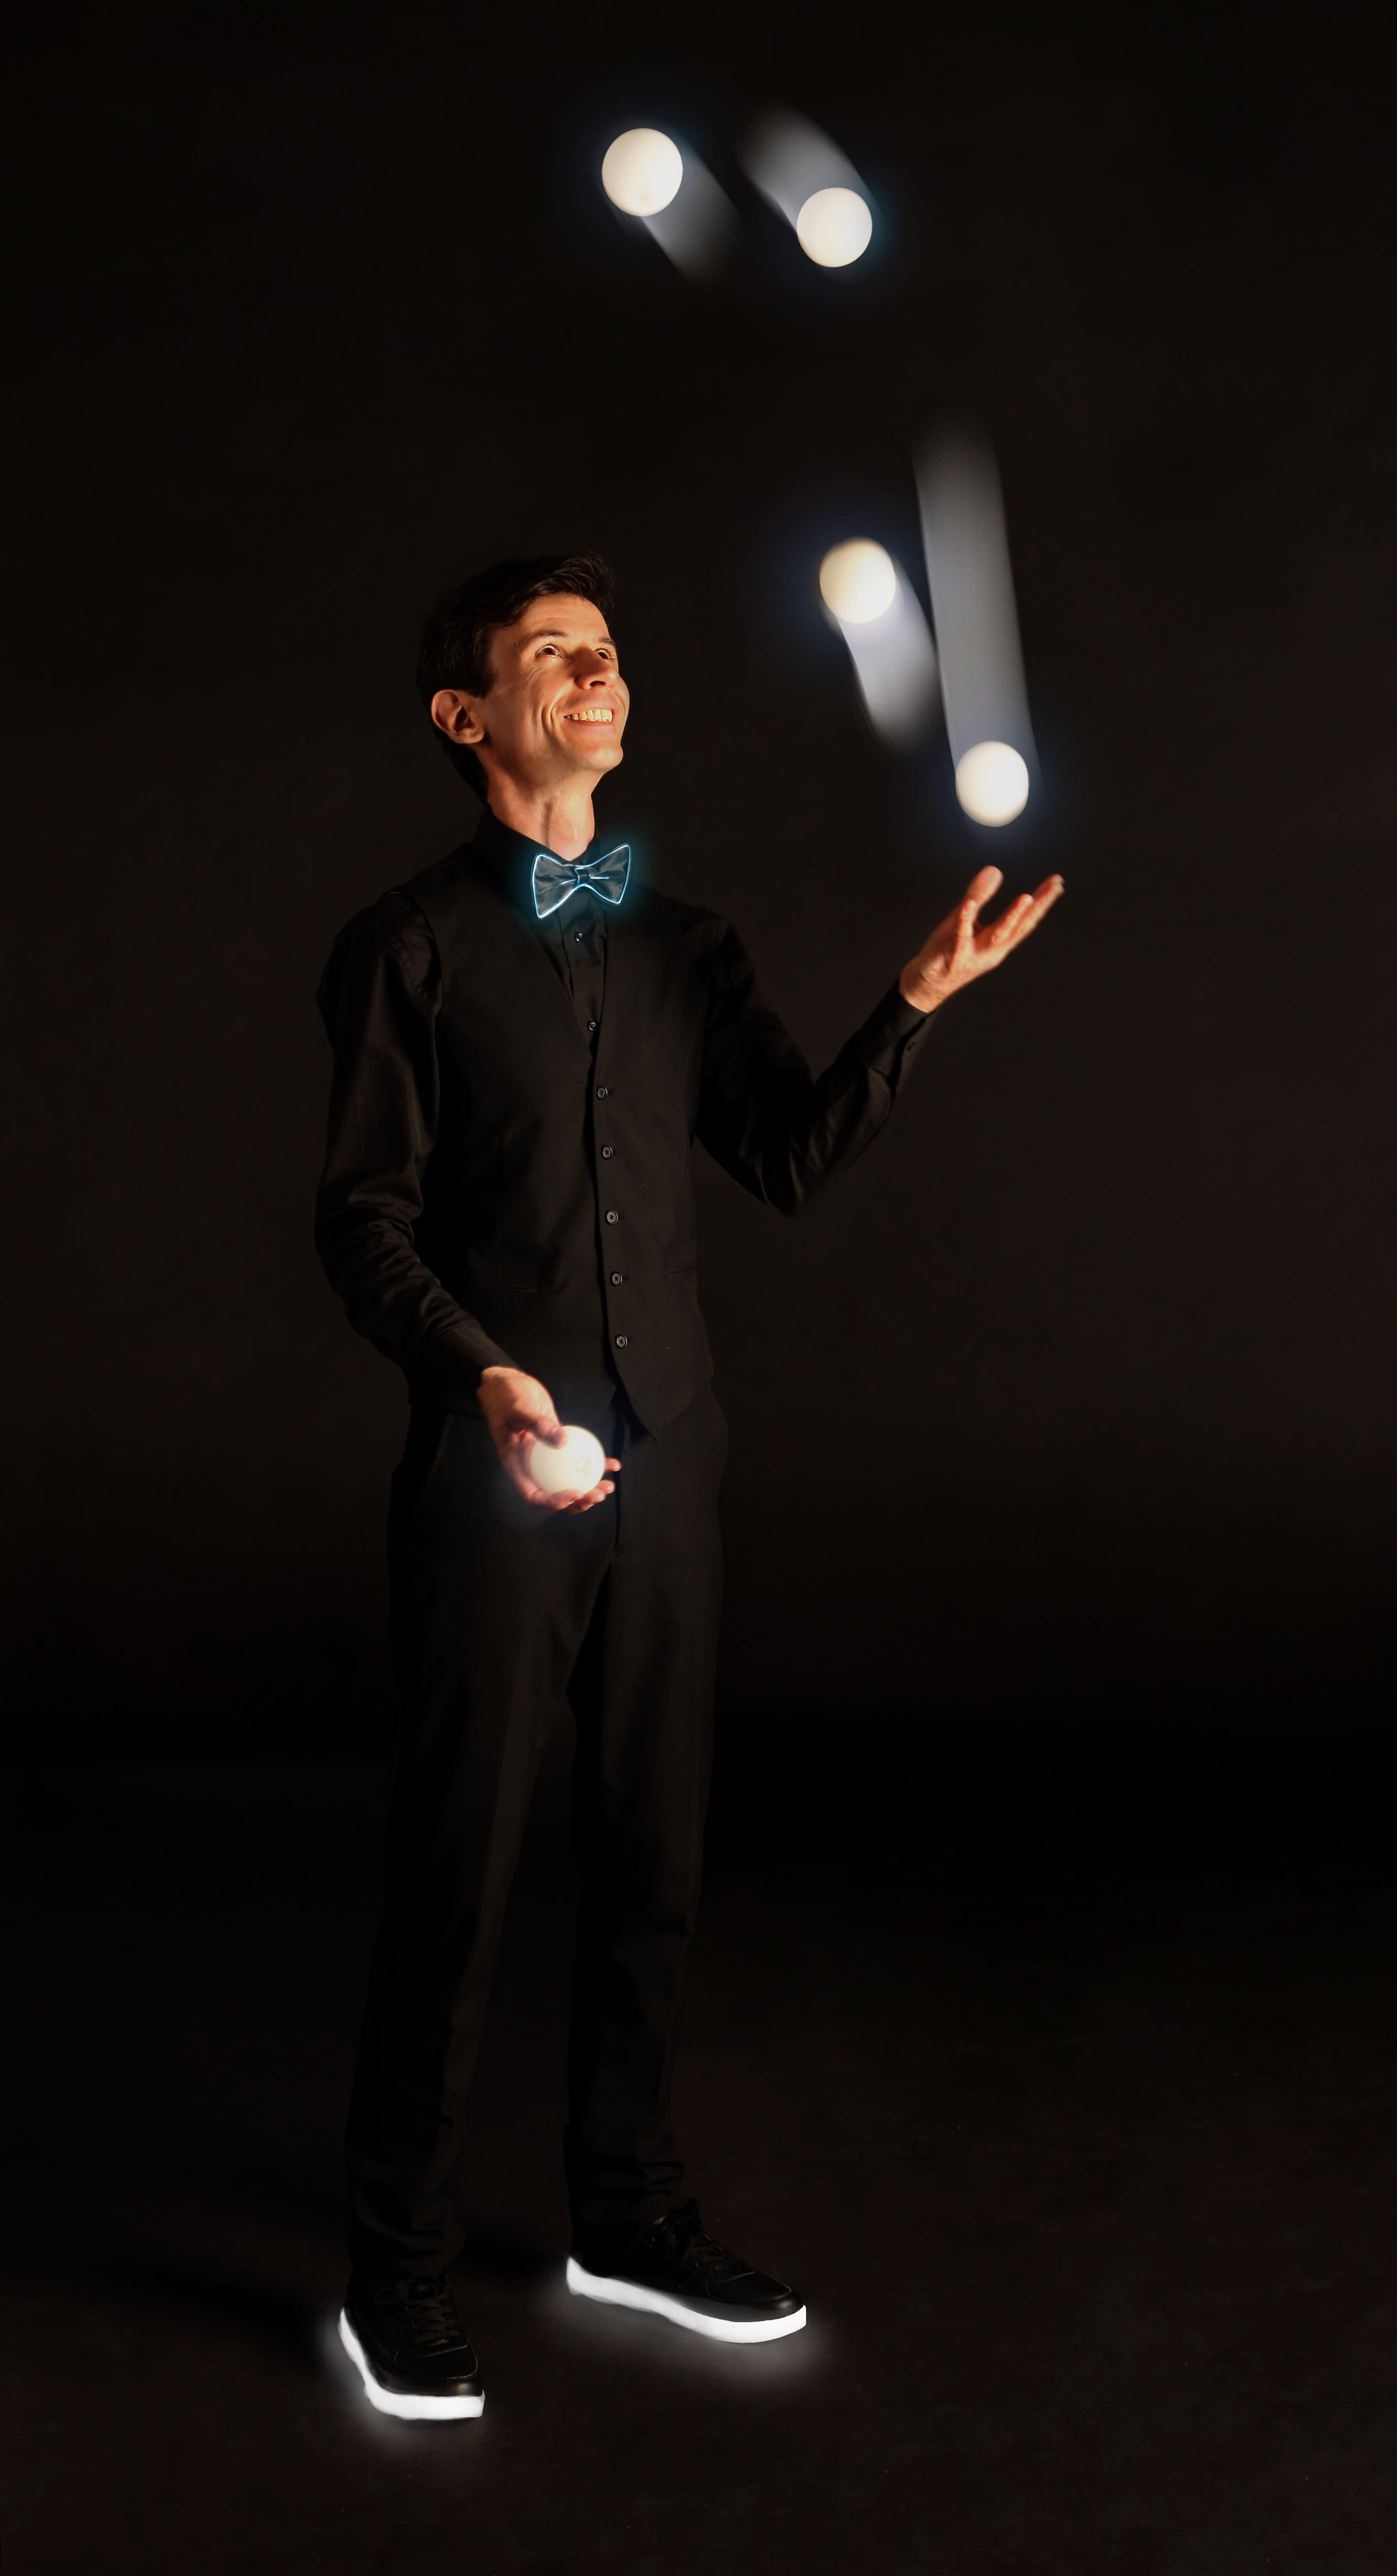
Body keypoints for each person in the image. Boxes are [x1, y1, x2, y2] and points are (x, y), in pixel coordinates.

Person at [315, 550, 1062, 2420]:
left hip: (673, 1466)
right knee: (458, 1869)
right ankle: (393, 2267)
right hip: (491, 1477)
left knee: (653, 1855)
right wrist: (488, 1378)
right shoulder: (406, 948)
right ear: (466, 714)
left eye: (608, 653)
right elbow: (363, 1221)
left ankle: (627, 2215)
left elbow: (786, 1158)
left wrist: (909, 1007)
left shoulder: (684, 945)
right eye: (551, 654)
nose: (597, 674)